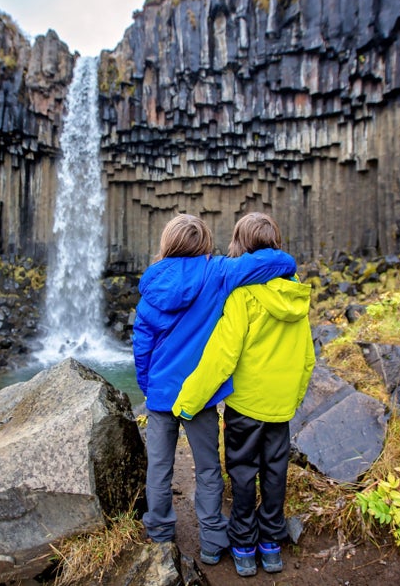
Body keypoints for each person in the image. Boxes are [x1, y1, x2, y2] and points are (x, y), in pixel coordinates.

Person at [132, 213, 297, 565]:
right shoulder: (218, 272)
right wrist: (287, 259)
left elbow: (141, 344)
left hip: (160, 394)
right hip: (201, 395)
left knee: (159, 467)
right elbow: (265, 261)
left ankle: (160, 532)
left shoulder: (151, 284)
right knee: (207, 470)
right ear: (205, 242)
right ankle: (211, 540)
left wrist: (148, 387)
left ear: (167, 243)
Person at [171, 212, 315, 577]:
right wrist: (293, 398)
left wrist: (188, 401)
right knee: (274, 473)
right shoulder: (297, 293)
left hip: (245, 407)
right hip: (279, 407)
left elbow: (221, 356)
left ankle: (244, 547)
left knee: (242, 472)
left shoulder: (243, 295)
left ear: (240, 244)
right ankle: (271, 545)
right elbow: (308, 358)